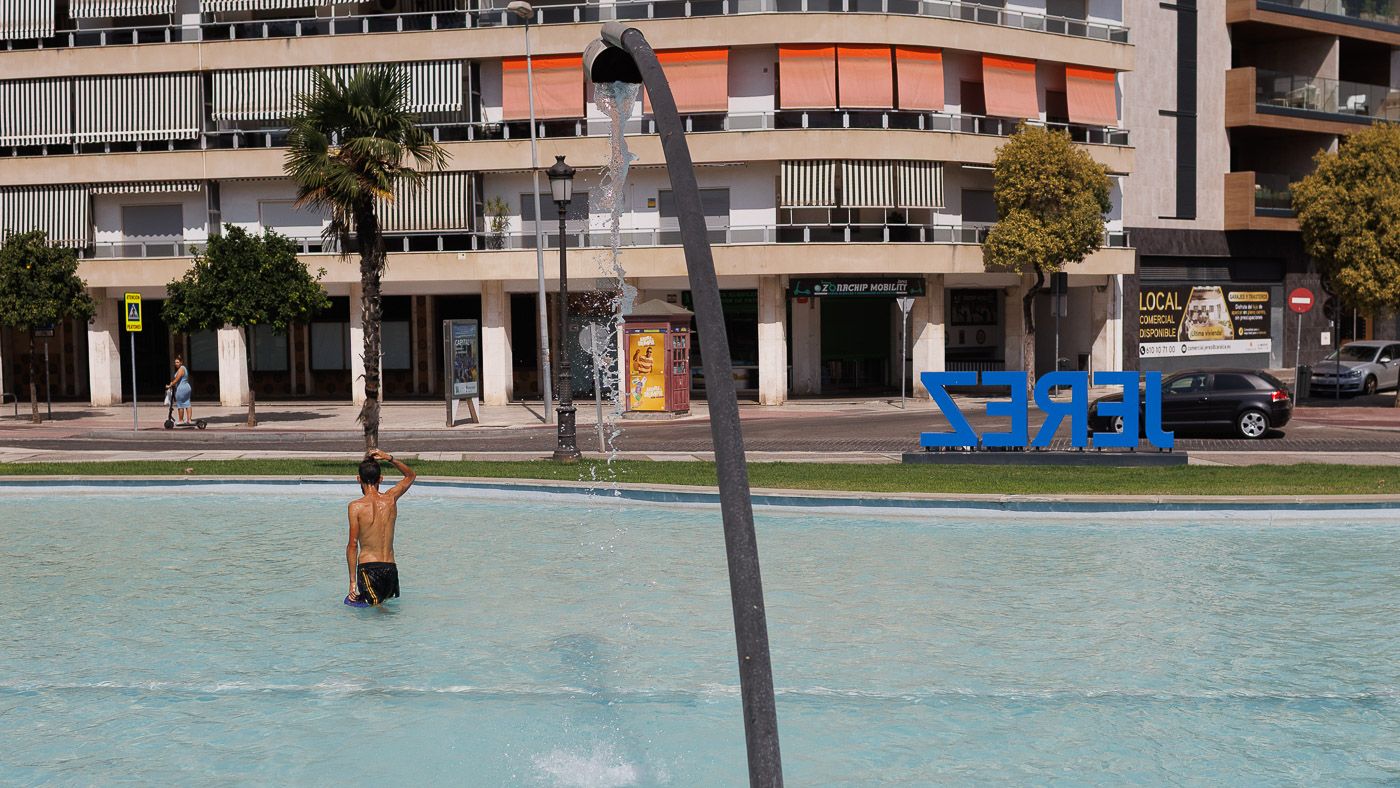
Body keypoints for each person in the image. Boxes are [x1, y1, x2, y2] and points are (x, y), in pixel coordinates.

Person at [346, 448, 416, 607]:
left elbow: (352, 545)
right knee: (387, 610)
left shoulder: (355, 507)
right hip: (390, 569)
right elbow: (410, 475)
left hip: (368, 569)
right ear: (381, 479)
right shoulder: (391, 499)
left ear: (358, 479)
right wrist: (389, 458)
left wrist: (352, 582)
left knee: (377, 612)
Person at [165, 355, 193, 426]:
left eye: (177, 362)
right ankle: (189, 420)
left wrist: (169, 385)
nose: (176, 364)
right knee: (187, 403)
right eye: (175, 362)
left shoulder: (181, 369)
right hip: (186, 387)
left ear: (181, 362)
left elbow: (177, 379)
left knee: (180, 404)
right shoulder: (183, 368)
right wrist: (172, 383)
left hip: (181, 388)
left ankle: (181, 420)